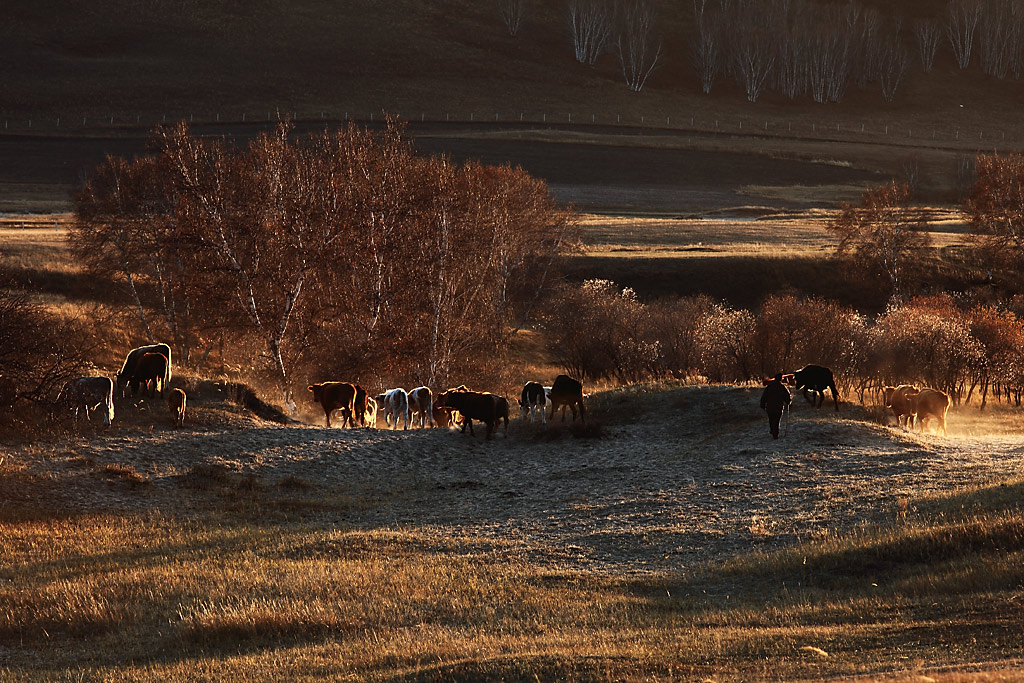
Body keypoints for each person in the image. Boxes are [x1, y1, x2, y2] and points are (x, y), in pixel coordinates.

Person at [760, 373, 792, 440]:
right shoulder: (782, 387)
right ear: (781, 379)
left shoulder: (769, 386)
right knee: (777, 420)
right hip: (778, 407)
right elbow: (787, 396)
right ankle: (775, 433)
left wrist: (762, 404)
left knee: (771, 419)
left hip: (770, 406)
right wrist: (788, 401)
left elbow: (764, 396)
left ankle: (772, 430)